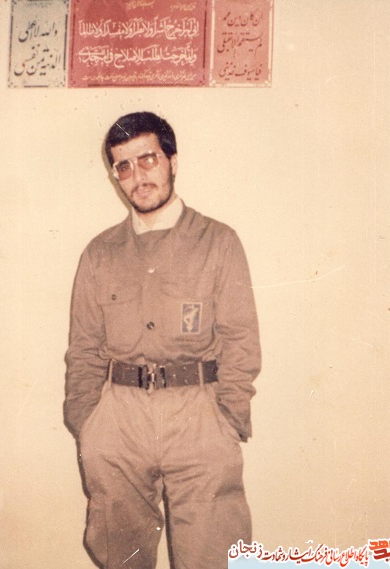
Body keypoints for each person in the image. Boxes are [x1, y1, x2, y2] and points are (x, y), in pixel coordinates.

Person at [64, 111, 261, 569]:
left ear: (172, 160)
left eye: (148, 159)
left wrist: (227, 417)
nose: (138, 176)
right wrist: (88, 424)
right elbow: (84, 349)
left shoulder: (217, 242)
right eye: (124, 166)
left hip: (199, 415)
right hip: (119, 420)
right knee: (122, 557)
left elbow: (241, 338)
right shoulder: (99, 253)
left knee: (212, 556)